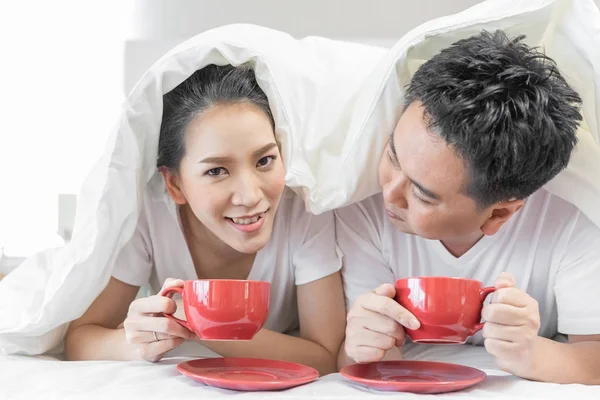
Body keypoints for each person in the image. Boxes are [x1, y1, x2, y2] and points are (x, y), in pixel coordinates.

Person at [336, 30, 600, 384]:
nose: (390, 193)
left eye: (423, 194)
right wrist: (361, 345)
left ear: (499, 214)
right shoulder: (363, 209)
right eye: (393, 156)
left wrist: (532, 353)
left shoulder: (574, 222)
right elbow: (360, 357)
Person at [64, 64, 346, 376]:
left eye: (265, 161)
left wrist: (202, 322)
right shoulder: (149, 214)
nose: (251, 195)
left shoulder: (305, 208)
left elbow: (325, 356)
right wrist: (135, 343)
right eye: (216, 171)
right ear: (174, 184)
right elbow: (80, 340)